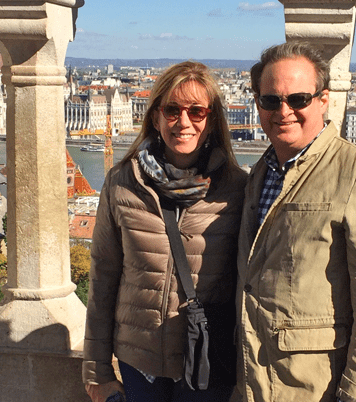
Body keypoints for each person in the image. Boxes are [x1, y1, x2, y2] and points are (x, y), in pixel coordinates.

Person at [235, 42, 356, 402]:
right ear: (257, 103)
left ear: (323, 99)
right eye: (270, 101)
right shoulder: (260, 175)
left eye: (298, 99)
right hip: (252, 382)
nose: (283, 111)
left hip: (315, 388)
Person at [83, 61, 247, 402]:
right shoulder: (121, 183)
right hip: (139, 359)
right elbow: (103, 277)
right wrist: (97, 369)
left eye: (197, 111)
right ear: (155, 117)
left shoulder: (237, 189)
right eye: (172, 109)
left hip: (207, 361)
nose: (183, 121)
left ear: (212, 119)